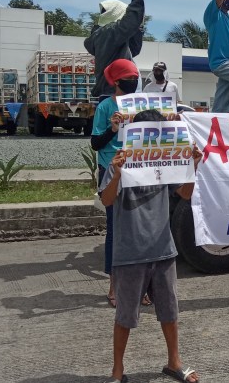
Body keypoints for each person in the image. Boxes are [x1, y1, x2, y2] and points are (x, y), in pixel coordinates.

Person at [99, 109, 200, 383]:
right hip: (129, 253)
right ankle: (117, 371)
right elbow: (107, 200)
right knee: (125, 316)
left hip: (163, 249)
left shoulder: (165, 162)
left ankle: (174, 362)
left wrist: (193, 165)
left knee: (169, 311)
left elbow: (185, 193)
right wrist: (117, 174)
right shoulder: (118, 162)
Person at [91, 59, 142, 308]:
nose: (133, 82)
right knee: (115, 229)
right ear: (116, 81)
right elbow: (95, 143)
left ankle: (142, 286)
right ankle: (114, 286)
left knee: (139, 229)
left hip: (139, 168)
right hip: (111, 169)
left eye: (135, 78)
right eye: (128, 79)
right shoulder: (105, 107)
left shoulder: (141, 105)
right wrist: (112, 129)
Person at [86, 0, 145, 99]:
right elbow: (130, 22)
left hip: (114, 92)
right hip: (115, 93)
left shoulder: (105, 36)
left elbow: (134, 50)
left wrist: (137, 29)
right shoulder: (109, 32)